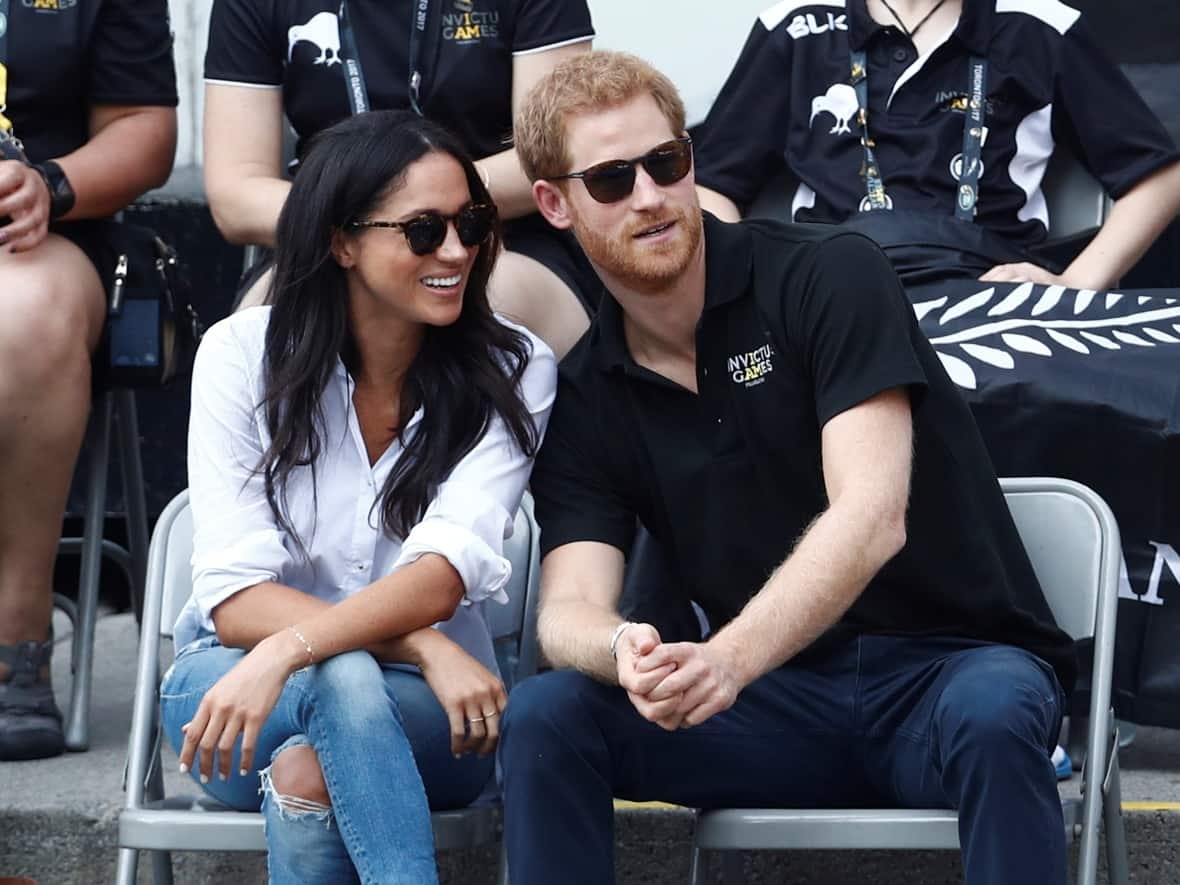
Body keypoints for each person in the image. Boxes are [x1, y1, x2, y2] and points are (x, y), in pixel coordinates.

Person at [499, 50, 1076, 885]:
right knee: (548, 713)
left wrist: (726, 659)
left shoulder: (826, 274)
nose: (652, 196)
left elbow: (872, 514)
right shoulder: (589, 388)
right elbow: (566, 607)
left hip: (946, 673)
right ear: (554, 203)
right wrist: (623, 647)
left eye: (667, 163)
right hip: (772, 702)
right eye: (612, 180)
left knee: (994, 714)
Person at [161, 110, 555, 883]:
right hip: (234, 692)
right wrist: (415, 641)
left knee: (317, 750)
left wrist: (299, 646)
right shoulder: (241, 356)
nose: (458, 251)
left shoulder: (514, 366)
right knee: (339, 676)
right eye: (422, 230)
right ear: (341, 241)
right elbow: (237, 597)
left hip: (433, 715)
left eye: (471, 223)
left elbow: (445, 570)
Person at [693, 0, 1180, 290]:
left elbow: (1159, 176)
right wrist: (758, 289)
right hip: (835, 289)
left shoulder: (1036, 23)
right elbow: (711, 184)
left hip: (987, 288)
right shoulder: (798, 25)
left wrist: (1074, 284)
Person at [203, 0, 597, 357]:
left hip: (495, 237)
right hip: (330, 243)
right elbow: (235, 195)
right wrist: (370, 224)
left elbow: (553, 157)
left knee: (485, 306)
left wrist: (417, 210)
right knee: (254, 336)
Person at [0, 1, 177, 761]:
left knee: (25, 312)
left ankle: (16, 636)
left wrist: (48, 185)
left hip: (39, 246)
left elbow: (144, 126)